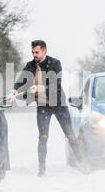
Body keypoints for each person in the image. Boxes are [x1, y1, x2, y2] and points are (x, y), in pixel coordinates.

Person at [8, 40, 87, 176]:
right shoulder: (30, 65)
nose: (34, 55)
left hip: (59, 104)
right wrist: (14, 90)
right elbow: (21, 80)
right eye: (33, 52)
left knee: (70, 135)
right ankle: (42, 169)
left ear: (45, 51)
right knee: (43, 137)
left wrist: (41, 87)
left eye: (37, 52)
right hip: (43, 106)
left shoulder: (55, 63)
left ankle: (82, 162)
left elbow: (56, 83)